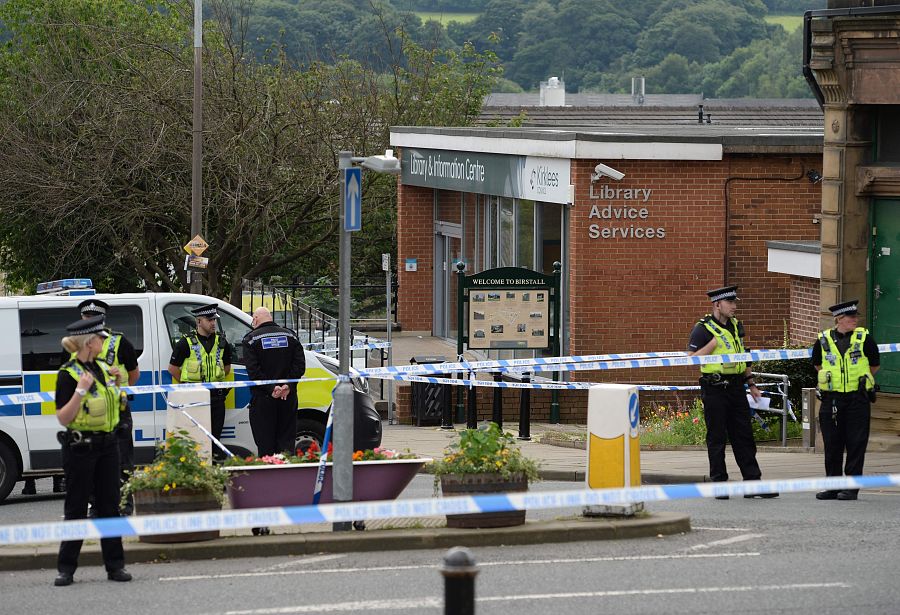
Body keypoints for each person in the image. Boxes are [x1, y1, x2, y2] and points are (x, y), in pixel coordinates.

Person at [54, 316, 132, 586]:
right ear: (89, 342)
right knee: (75, 507)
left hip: (108, 446)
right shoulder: (68, 374)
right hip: (80, 449)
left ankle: (115, 566)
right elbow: (63, 417)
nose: (104, 341)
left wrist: (118, 384)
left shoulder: (103, 368)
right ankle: (66, 569)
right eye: (100, 337)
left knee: (110, 506)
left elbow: (116, 405)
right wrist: (80, 391)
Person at [688, 285, 777, 500]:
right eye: (731, 303)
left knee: (744, 436)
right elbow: (691, 359)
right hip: (715, 388)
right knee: (717, 437)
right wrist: (712, 344)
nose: (735, 307)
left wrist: (751, 383)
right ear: (717, 304)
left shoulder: (737, 326)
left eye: (735, 302)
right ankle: (719, 484)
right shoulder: (703, 328)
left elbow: (743, 356)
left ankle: (753, 483)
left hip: (737, 387)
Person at [74, 299, 140, 514]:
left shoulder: (120, 342)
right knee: (91, 461)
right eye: (86, 317)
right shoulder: (75, 344)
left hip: (117, 412)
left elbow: (134, 374)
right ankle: (96, 505)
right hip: (89, 413)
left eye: (94, 318)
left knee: (122, 460)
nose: (90, 321)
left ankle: (125, 505)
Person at [812, 299, 880, 501]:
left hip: (857, 399)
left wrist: (857, 381)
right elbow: (817, 364)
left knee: (856, 443)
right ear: (839, 319)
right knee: (832, 444)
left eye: (856, 316)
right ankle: (833, 486)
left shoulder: (864, 338)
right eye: (851, 317)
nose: (855, 320)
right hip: (831, 400)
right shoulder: (823, 340)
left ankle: (851, 488)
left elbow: (874, 364)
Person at [167, 304, 232, 454]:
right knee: (195, 440)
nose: (213, 323)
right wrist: (187, 386)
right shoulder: (185, 342)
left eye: (214, 319)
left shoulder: (222, 342)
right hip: (194, 398)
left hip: (217, 399)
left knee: (215, 441)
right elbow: (172, 368)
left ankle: (215, 473)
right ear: (198, 321)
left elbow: (227, 367)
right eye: (209, 320)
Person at [242, 307, 306, 456]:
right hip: (288, 398)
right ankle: (287, 477)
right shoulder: (291, 336)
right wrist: (287, 386)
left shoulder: (251, 339)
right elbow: (300, 366)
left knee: (265, 445)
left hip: (264, 400)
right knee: (286, 444)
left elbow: (253, 371)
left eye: (253, 319)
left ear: (256, 319)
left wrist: (272, 389)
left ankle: (269, 477)